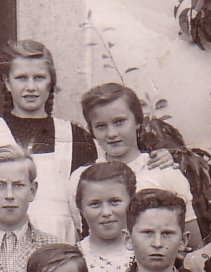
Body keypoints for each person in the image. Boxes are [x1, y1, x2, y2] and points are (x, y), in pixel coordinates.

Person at [0, 39, 98, 241]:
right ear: (7, 82)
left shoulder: (74, 136)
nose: (31, 87)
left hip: (62, 242)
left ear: (50, 82)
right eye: (21, 78)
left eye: (39, 78)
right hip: (7, 240)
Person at [69, 84, 200, 248]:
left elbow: (193, 245)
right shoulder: (80, 178)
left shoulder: (163, 171)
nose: (111, 134)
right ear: (92, 130)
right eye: (101, 126)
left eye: (119, 122)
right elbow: (79, 236)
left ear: (137, 121)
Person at [75, 161, 136, 272]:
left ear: (131, 203)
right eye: (95, 204)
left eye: (115, 202)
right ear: (81, 209)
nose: (106, 212)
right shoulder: (73, 258)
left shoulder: (145, 253)